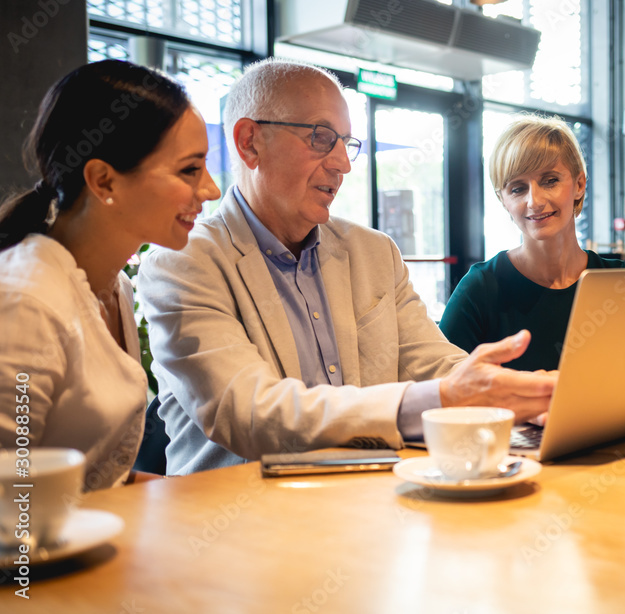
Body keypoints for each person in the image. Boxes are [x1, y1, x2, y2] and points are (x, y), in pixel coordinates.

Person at [137, 59, 556, 475]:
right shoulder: (182, 263)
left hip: (371, 506)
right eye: (321, 138)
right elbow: (250, 413)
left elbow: (433, 364)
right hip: (237, 523)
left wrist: (518, 395)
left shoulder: (374, 253)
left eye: (346, 143)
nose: (343, 163)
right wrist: (449, 396)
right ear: (249, 143)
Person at [0, 60, 220, 490]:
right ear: (104, 181)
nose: (210, 189)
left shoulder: (114, 286)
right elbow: (13, 501)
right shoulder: (27, 302)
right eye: (189, 169)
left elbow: (94, 480)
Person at [439, 116, 625, 371]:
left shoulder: (623, 284)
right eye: (517, 189)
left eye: (550, 181)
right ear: (503, 200)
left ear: (579, 185)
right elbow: (445, 387)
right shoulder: (480, 289)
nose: (534, 201)